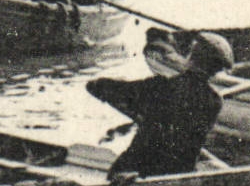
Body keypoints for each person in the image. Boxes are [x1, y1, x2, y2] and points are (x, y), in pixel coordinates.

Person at [88, 32, 231, 177]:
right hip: (179, 174)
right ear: (216, 70)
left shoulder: (159, 86)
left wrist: (138, 112)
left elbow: (94, 86)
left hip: (139, 169)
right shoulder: (214, 101)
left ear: (190, 59)